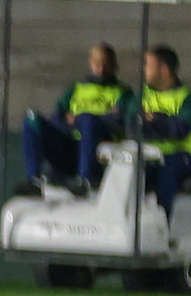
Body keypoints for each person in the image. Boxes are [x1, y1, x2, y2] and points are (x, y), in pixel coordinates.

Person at [21, 42, 129, 190]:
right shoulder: (77, 89)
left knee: (88, 119)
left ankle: (85, 179)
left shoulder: (122, 92)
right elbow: (58, 117)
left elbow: (119, 121)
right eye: (97, 64)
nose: (101, 69)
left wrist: (80, 119)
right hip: (69, 145)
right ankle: (33, 180)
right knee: (32, 120)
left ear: (114, 65)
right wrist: (73, 123)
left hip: (97, 151)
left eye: (106, 64)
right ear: (90, 63)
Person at [137, 45, 191, 215]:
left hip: (184, 156)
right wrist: (162, 123)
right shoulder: (141, 95)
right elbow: (131, 126)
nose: (143, 69)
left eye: (147, 65)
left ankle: (163, 223)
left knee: (167, 168)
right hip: (148, 156)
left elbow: (180, 130)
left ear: (164, 70)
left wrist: (154, 119)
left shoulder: (188, 98)